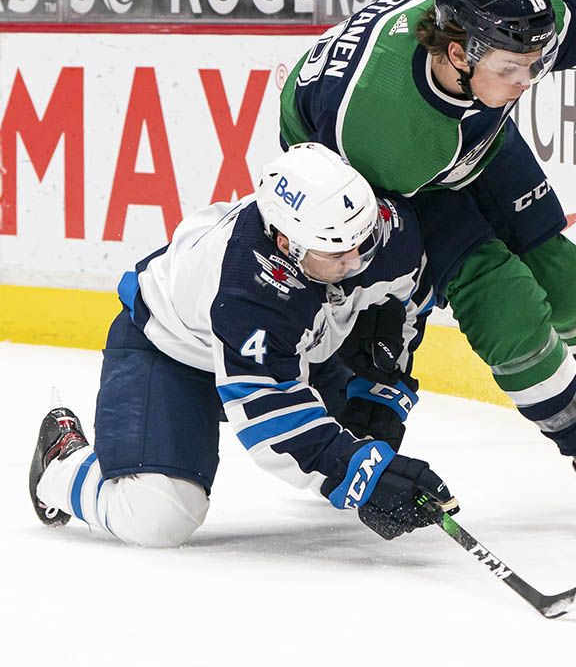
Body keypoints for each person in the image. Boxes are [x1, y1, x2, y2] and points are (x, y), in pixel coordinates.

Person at [278, 0, 576, 522]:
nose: (526, 83)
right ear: (456, 54)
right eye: (511, 70)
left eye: (535, 67)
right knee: (504, 303)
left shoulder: (515, 22)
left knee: (565, 282)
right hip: (382, 182)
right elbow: (367, 252)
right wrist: (380, 355)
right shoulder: (377, 125)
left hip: (470, 136)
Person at [28, 142, 456, 547]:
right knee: (159, 516)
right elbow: (265, 410)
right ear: (287, 245)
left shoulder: (380, 230)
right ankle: (62, 461)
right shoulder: (249, 288)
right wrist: (357, 473)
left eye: (363, 245)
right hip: (172, 351)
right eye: (338, 255)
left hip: (298, 350)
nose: (357, 264)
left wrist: (381, 390)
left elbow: (406, 306)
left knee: (364, 434)